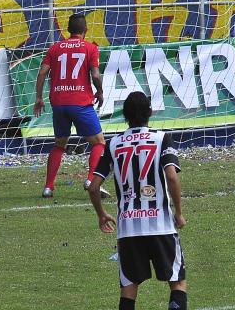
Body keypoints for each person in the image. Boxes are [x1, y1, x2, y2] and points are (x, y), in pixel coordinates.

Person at [88, 91, 188, 310]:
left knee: (129, 288)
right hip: (161, 225)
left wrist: (101, 214)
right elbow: (171, 176)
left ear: (124, 116)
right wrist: (178, 212)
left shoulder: (113, 144)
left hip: (128, 229)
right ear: (150, 113)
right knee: (177, 282)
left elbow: (94, 187)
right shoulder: (162, 138)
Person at [34, 13, 109, 199]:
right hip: (80, 102)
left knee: (60, 144)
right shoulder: (90, 48)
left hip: (59, 103)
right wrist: (99, 92)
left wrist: (38, 98)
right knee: (99, 142)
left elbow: (42, 73)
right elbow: (96, 75)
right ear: (86, 30)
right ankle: (91, 180)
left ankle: (48, 187)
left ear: (67, 30)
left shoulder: (55, 48)